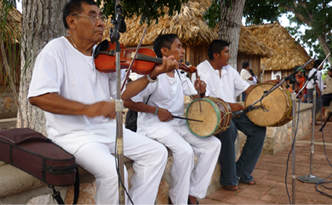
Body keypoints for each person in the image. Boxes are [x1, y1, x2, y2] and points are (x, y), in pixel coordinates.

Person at [27, 0, 179, 204]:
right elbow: (39, 97)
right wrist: (89, 109)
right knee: (115, 171)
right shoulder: (55, 50)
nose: (100, 23)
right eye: (92, 16)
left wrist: (152, 75)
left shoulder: (105, 53)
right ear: (72, 21)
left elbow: (123, 93)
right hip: (73, 135)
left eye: (100, 17)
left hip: (105, 130)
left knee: (156, 152)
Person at [124, 34, 221, 204]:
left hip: (177, 123)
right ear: (164, 51)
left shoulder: (180, 73)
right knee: (185, 151)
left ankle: (193, 191)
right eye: (179, 46)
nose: (183, 51)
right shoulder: (152, 74)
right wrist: (155, 110)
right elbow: (127, 101)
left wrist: (202, 92)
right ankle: (179, 200)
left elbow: (195, 98)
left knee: (213, 144)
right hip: (154, 125)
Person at [192, 40, 266, 191]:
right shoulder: (202, 70)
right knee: (229, 129)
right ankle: (229, 179)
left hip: (233, 112)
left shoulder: (230, 70)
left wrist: (267, 86)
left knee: (258, 130)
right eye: (226, 52)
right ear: (216, 55)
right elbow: (207, 100)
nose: (229, 55)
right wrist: (234, 107)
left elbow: (247, 89)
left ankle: (242, 172)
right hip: (213, 115)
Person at [306, 60, 324, 125]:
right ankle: (312, 120)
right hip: (313, 90)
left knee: (318, 104)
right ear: (317, 65)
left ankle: (314, 120)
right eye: (322, 65)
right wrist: (318, 90)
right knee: (316, 104)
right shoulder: (313, 71)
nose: (323, 66)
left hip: (316, 90)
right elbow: (314, 82)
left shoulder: (318, 72)